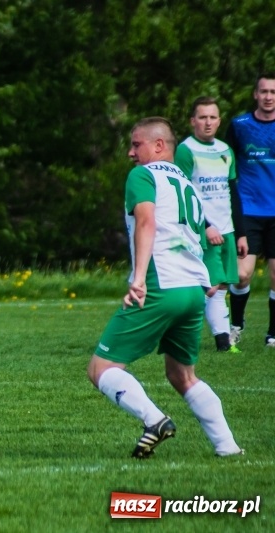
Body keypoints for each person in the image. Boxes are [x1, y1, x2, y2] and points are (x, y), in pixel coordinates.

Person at [87, 117, 243, 458]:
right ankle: (228, 447)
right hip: (192, 292)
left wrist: (139, 278)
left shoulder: (143, 175)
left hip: (161, 285)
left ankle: (154, 420)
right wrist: (208, 280)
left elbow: (146, 221)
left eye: (136, 144)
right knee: (182, 374)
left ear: (159, 146)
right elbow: (199, 238)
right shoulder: (188, 184)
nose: (130, 152)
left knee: (101, 368)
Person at [174, 96, 246, 353]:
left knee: (222, 286)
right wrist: (205, 226)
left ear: (219, 120)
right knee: (210, 286)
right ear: (193, 121)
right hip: (202, 230)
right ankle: (217, 340)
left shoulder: (225, 150)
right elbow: (183, 193)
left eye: (212, 117)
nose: (207, 122)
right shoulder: (185, 150)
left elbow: (232, 191)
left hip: (226, 229)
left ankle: (222, 340)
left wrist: (241, 233)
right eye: (202, 117)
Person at [226, 73, 275, 347]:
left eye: (273, 92)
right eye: (264, 91)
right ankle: (236, 324)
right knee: (242, 273)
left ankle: (273, 333)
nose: (269, 96)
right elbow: (225, 163)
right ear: (255, 94)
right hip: (248, 210)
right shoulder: (239, 125)